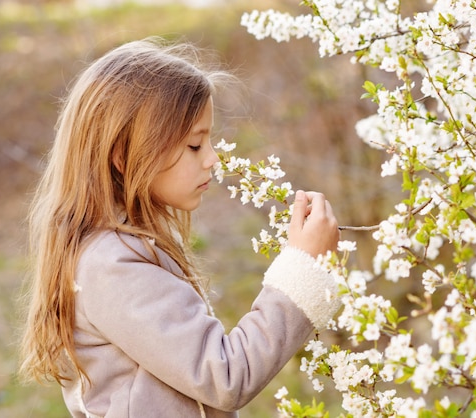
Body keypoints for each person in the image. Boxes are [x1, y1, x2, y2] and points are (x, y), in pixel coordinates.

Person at [18, 37, 341, 418]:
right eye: (194, 146)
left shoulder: (126, 248)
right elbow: (225, 375)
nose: (213, 160)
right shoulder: (111, 266)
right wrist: (302, 268)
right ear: (124, 155)